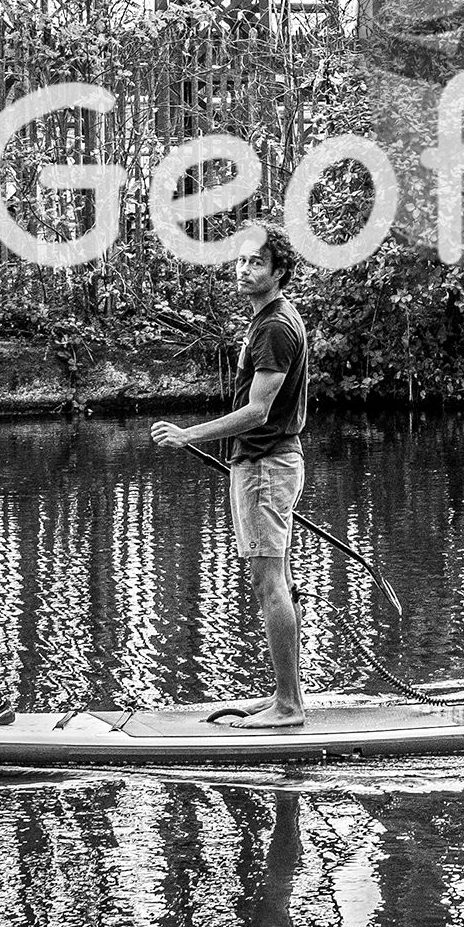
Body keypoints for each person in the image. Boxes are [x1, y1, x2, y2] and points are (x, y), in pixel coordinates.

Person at [151, 227, 314, 729]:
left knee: (269, 586)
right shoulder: (267, 320)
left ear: (279, 271)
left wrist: (188, 435)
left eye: (256, 263)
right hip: (263, 464)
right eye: (241, 262)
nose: (244, 270)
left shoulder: (274, 327)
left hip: (266, 465)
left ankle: (288, 707)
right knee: (276, 582)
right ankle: (284, 696)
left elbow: (260, 410)